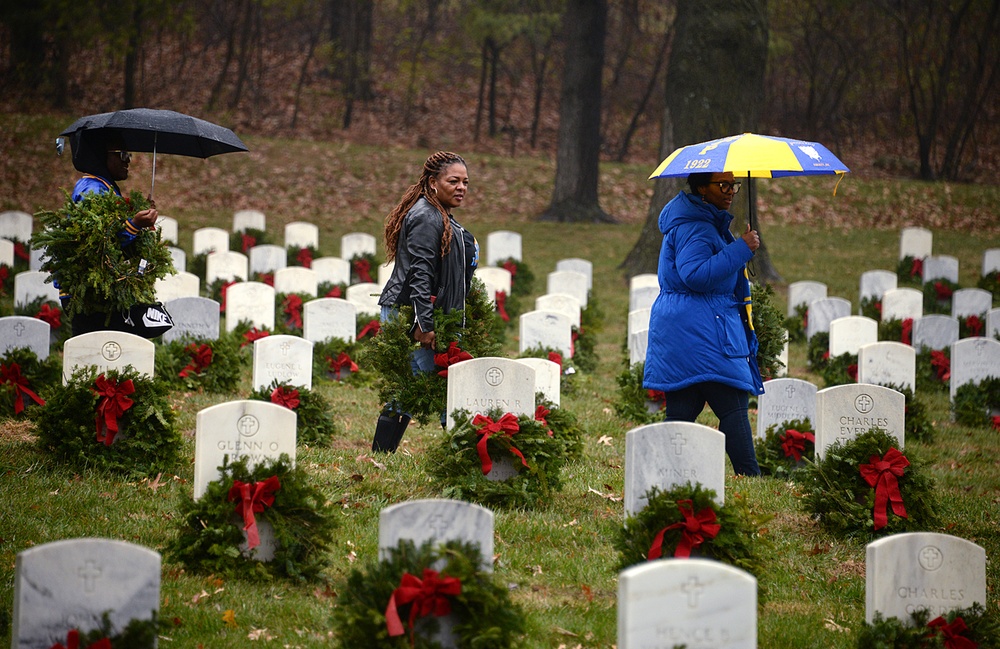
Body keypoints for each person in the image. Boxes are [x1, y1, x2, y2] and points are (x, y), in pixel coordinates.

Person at [643, 171, 765, 476]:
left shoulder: (702, 221)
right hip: (704, 331)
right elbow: (695, 275)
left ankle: (663, 473)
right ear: (701, 188)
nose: (731, 191)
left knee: (683, 410)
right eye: (722, 185)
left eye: (734, 185)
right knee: (734, 405)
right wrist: (741, 249)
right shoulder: (697, 227)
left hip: (691, 329)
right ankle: (750, 475)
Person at [372, 151, 479, 452]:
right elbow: (420, 273)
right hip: (412, 313)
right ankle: (460, 455)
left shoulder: (440, 215)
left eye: (465, 182)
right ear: (433, 183)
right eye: (453, 181)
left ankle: (457, 454)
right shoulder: (425, 217)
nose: (461, 187)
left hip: (428, 312)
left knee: (436, 381)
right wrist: (424, 323)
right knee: (425, 382)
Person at [61, 131, 164, 336]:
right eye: (122, 154)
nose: (128, 160)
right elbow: (96, 243)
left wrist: (138, 215)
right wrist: (134, 224)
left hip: (100, 292)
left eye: (129, 155)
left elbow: (112, 225)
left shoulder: (104, 186)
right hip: (88, 294)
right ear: (101, 154)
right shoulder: (91, 189)